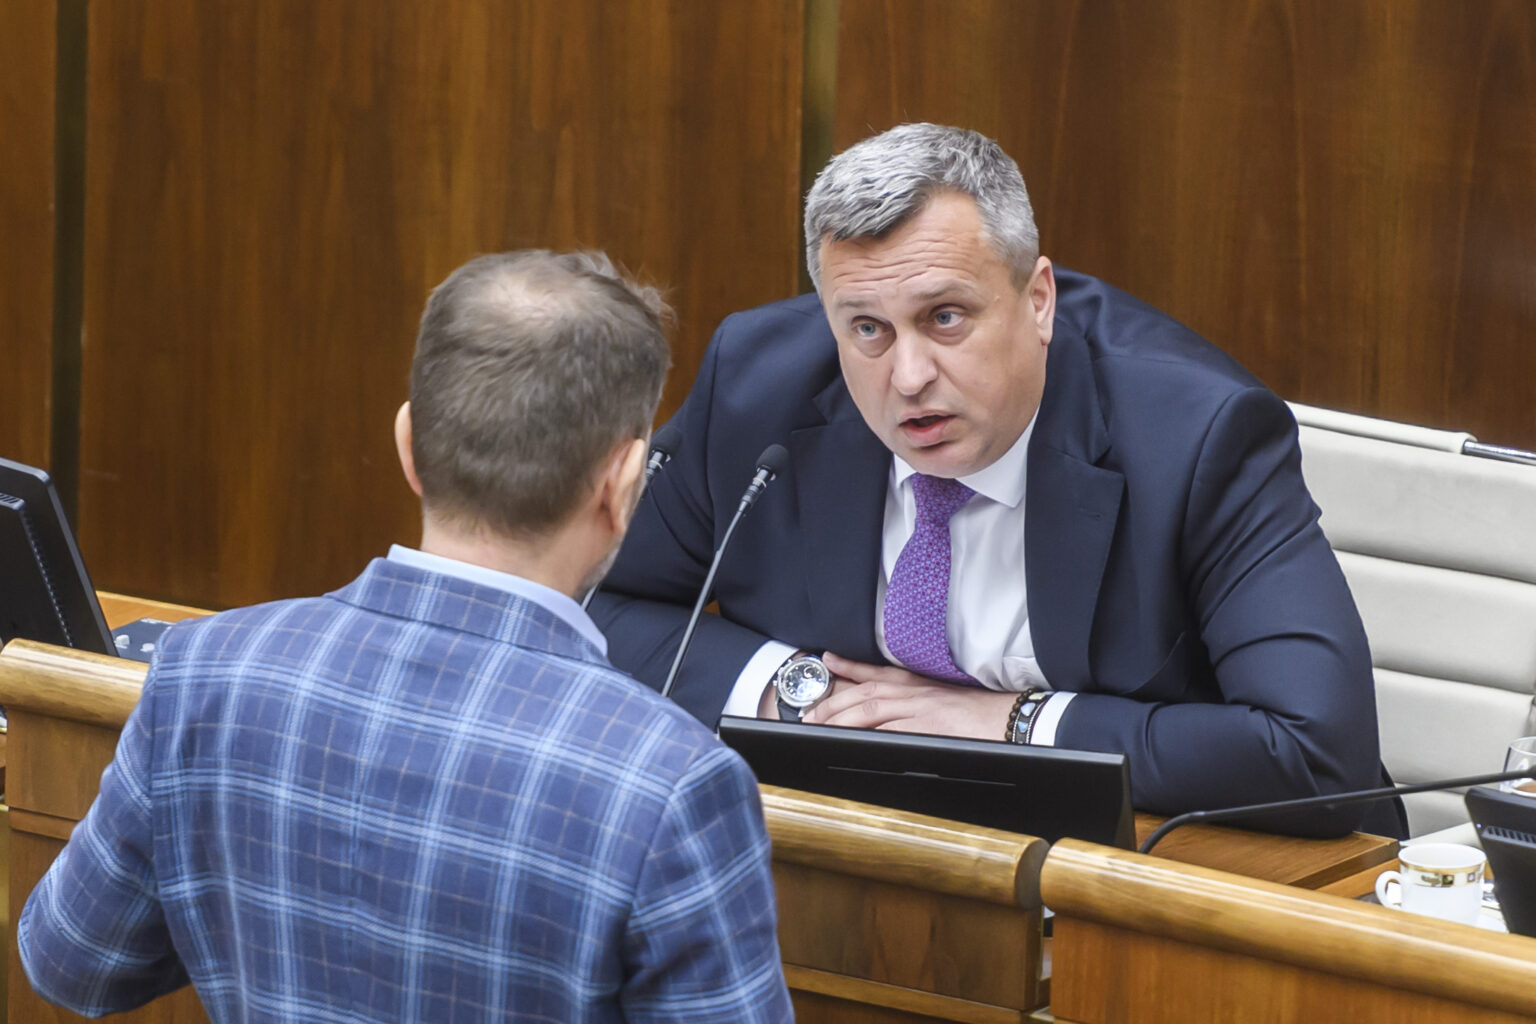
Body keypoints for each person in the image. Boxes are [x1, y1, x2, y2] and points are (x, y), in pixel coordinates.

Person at [19, 250, 795, 1022]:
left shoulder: (205, 670)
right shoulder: (675, 783)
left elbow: (69, 965)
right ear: (624, 485)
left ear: (409, 445)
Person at [590, 124, 1404, 838]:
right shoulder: (757, 387)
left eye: (946, 318)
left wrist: (1009, 723)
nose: (908, 376)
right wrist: (804, 698)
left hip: (1173, 865)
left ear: (1038, 299)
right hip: (874, 836)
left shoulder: (1197, 437)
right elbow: (593, 602)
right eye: (866, 328)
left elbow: (1319, 755)